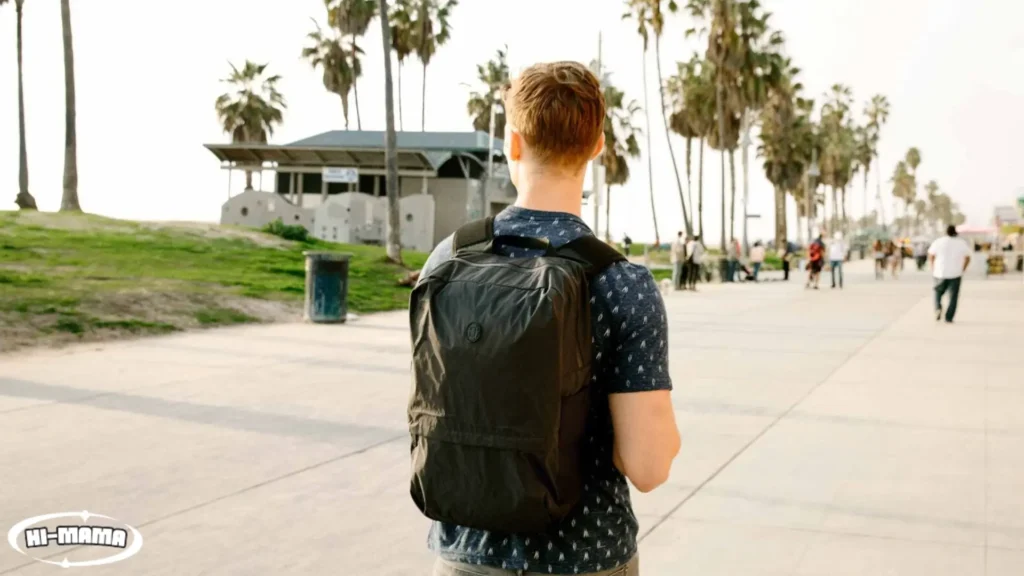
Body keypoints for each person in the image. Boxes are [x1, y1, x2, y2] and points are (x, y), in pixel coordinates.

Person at [415, 61, 678, 576]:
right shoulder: (619, 282)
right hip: (585, 556)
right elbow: (648, 467)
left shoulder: (447, 259)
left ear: (513, 143)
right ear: (598, 145)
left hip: (463, 554)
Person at [929, 224, 971, 323]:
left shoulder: (938, 241)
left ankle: (938, 307)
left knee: (938, 292)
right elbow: (968, 257)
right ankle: (949, 317)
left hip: (940, 272)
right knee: (953, 296)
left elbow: (931, 255)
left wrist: (933, 267)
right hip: (956, 273)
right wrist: (963, 269)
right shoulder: (961, 243)